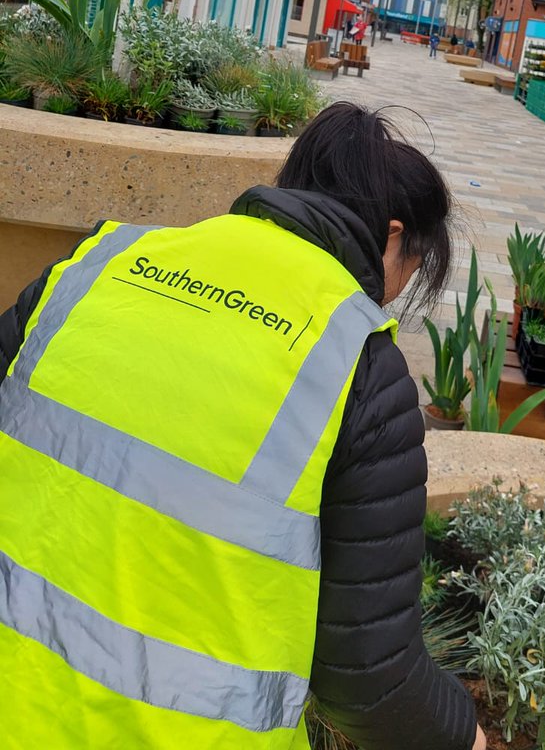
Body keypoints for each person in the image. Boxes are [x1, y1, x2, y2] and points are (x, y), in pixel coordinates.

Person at [0, 103, 486, 750]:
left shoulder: (104, 260)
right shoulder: (357, 366)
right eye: (413, 268)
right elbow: (369, 680)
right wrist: (465, 736)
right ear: (392, 237)